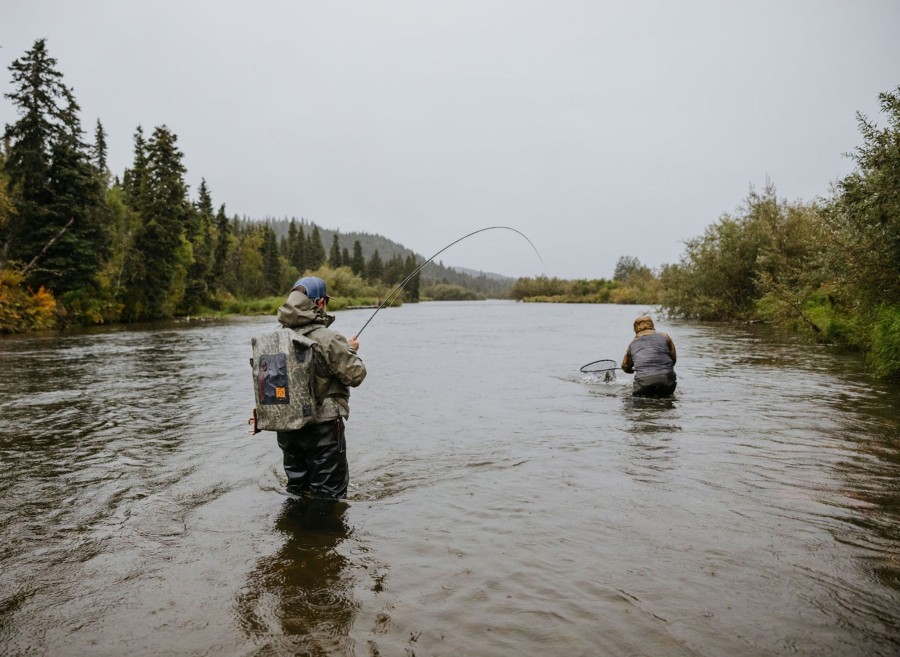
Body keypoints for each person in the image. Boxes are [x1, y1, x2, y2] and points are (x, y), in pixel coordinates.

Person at [275, 276, 367, 499]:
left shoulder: (277, 337)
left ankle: (295, 530)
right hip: (323, 429)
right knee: (329, 495)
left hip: (287, 428)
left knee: (297, 489)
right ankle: (324, 532)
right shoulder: (330, 338)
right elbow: (355, 375)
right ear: (320, 303)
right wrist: (350, 350)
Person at [620, 315, 677, 398]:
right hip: (667, 380)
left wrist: (631, 370)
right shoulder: (665, 337)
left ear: (636, 328)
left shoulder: (632, 344)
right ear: (652, 325)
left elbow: (625, 366)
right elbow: (673, 360)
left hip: (644, 383)